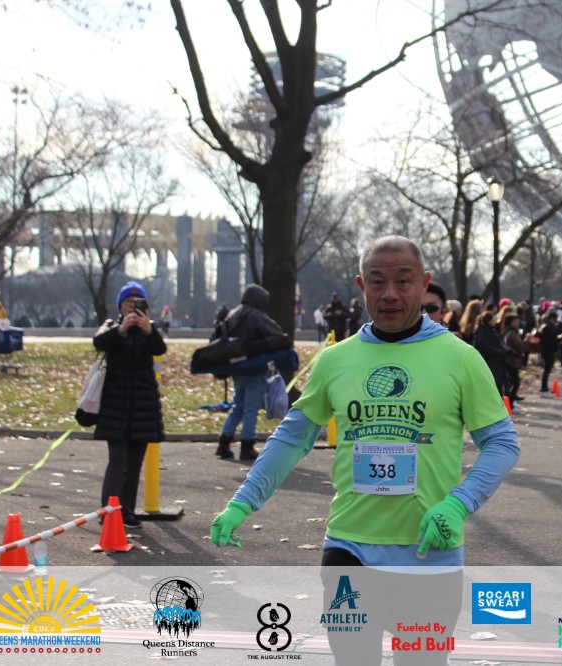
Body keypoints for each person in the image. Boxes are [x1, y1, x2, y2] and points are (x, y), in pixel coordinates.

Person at [209, 235, 520, 665]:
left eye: (403, 281)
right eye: (377, 282)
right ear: (361, 286)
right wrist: (243, 502)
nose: (389, 293)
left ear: (423, 283)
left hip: (428, 553)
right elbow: (293, 437)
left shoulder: (460, 358)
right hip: (349, 548)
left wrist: (458, 503)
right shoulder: (336, 360)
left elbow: (502, 443)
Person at [92, 281, 167, 529]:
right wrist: (121, 329)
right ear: (120, 306)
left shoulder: (150, 329)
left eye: (137, 303)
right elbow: (99, 342)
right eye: (127, 303)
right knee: (118, 459)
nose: (132, 308)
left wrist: (148, 330)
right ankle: (108, 511)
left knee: (134, 462)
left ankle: (126, 511)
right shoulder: (112, 327)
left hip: (142, 406)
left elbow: (160, 347)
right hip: (115, 406)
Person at [215, 284, 287, 461]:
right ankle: (247, 445)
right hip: (255, 367)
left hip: (237, 368)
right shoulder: (256, 315)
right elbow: (277, 333)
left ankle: (224, 443)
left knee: (238, 407)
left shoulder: (233, 314)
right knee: (251, 409)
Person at [501, 314, 526, 405]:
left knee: (512, 382)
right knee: (515, 382)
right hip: (510, 360)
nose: (517, 323)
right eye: (515, 321)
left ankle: (510, 401)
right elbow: (520, 346)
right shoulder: (511, 333)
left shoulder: (512, 332)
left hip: (512, 360)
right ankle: (509, 404)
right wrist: (526, 340)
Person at [537, 310, 561, 396]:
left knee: (547, 370)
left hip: (547, 350)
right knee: (546, 370)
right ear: (551, 319)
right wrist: (560, 338)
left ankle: (545, 388)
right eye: (554, 319)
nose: (555, 321)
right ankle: (544, 389)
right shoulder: (548, 328)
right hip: (548, 350)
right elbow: (552, 339)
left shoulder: (546, 327)